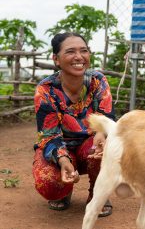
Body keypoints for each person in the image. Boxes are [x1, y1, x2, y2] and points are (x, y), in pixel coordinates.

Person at [32, 32, 115, 217]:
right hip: (60, 148)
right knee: (48, 183)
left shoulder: (98, 81)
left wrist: (102, 135)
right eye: (70, 52)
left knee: (106, 149)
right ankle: (64, 189)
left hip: (90, 147)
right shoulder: (45, 90)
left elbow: (106, 118)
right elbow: (49, 136)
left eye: (83, 51)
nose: (79, 56)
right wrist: (63, 161)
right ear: (56, 59)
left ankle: (98, 194)